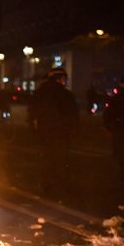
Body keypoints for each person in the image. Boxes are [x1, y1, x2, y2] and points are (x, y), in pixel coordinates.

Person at [27, 67, 79, 197]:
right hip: (60, 135)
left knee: (46, 160)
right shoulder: (66, 95)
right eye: (64, 79)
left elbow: (31, 115)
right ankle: (63, 189)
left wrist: (35, 132)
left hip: (43, 135)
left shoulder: (39, 93)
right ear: (60, 79)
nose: (65, 81)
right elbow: (73, 116)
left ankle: (46, 187)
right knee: (62, 162)